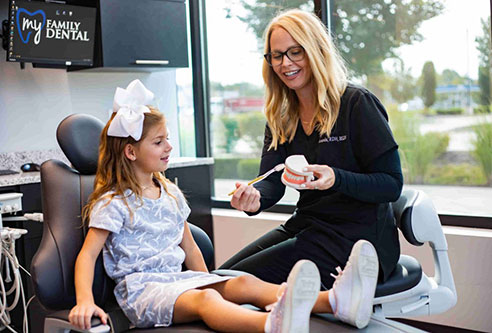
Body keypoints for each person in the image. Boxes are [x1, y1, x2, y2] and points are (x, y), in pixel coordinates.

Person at [67, 79, 379, 332]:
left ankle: (335, 300)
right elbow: (88, 256)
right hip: (142, 293)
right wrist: (84, 301)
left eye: (168, 138)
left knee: (241, 281)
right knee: (207, 303)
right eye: (159, 141)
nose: (169, 147)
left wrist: (210, 281)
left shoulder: (170, 193)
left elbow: (189, 249)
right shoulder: (114, 203)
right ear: (131, 152)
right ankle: (270, 324)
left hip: (177, 283)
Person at [224, 8, 402, 305]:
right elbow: (271, 182)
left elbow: (391, 184)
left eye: (296, 52)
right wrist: (252, 197)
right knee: (223, 279)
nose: (286, 63)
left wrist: (336, 178)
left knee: (236, 293)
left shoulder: (356, 104)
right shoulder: (281, 115)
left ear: (316, 51)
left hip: (359, 240)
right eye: (277, 55)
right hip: (308, 225)